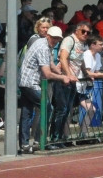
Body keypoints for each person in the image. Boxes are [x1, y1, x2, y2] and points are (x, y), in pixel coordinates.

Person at [18, 25, 71, 153]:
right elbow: (47, 73)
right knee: (47, 107)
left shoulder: (45, 44)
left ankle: (24, 144)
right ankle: (39, 140)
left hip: (27, 81)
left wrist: (61, 73)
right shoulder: (43, 47)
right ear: (48, 36)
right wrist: (62, 78)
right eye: (53, 38)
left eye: (58, 39)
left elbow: (51, 63)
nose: (55, 41)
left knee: (26, 111)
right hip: (31, 82)